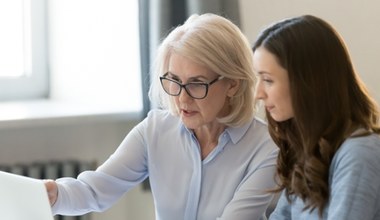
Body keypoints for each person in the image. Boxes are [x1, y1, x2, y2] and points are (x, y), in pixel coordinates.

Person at [44, 13, 279, 220]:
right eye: (174, 81)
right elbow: (94, 190)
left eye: (197, 84)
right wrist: (55, 194)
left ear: (233, 85)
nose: (182, 99)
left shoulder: (266, 149)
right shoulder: (155, 130)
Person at [252, 14, 380, 220]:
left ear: (307, 82)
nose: (258, 93)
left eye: (268, 80)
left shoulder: (360, 152)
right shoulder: (309, 152)